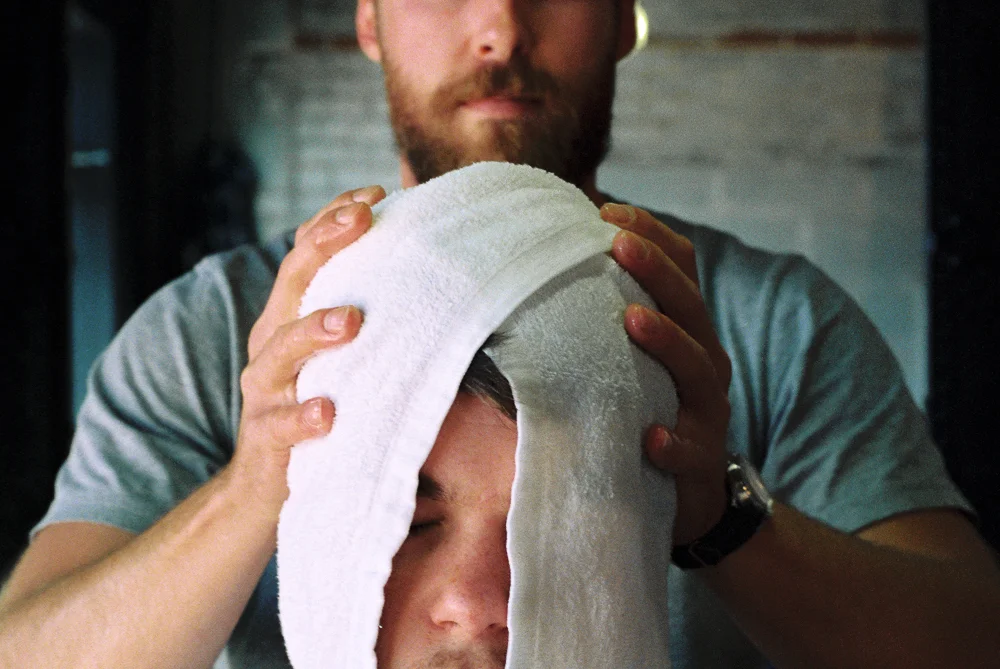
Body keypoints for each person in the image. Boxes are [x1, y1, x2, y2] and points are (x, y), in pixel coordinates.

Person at [1, 0, 998, 667]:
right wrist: (261, 483)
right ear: (369, 19)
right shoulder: (212, 335)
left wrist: (720, 516)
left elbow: (966, 638)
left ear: (620, 19)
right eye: (411, 515)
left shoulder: (776, 326)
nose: (498, 27)